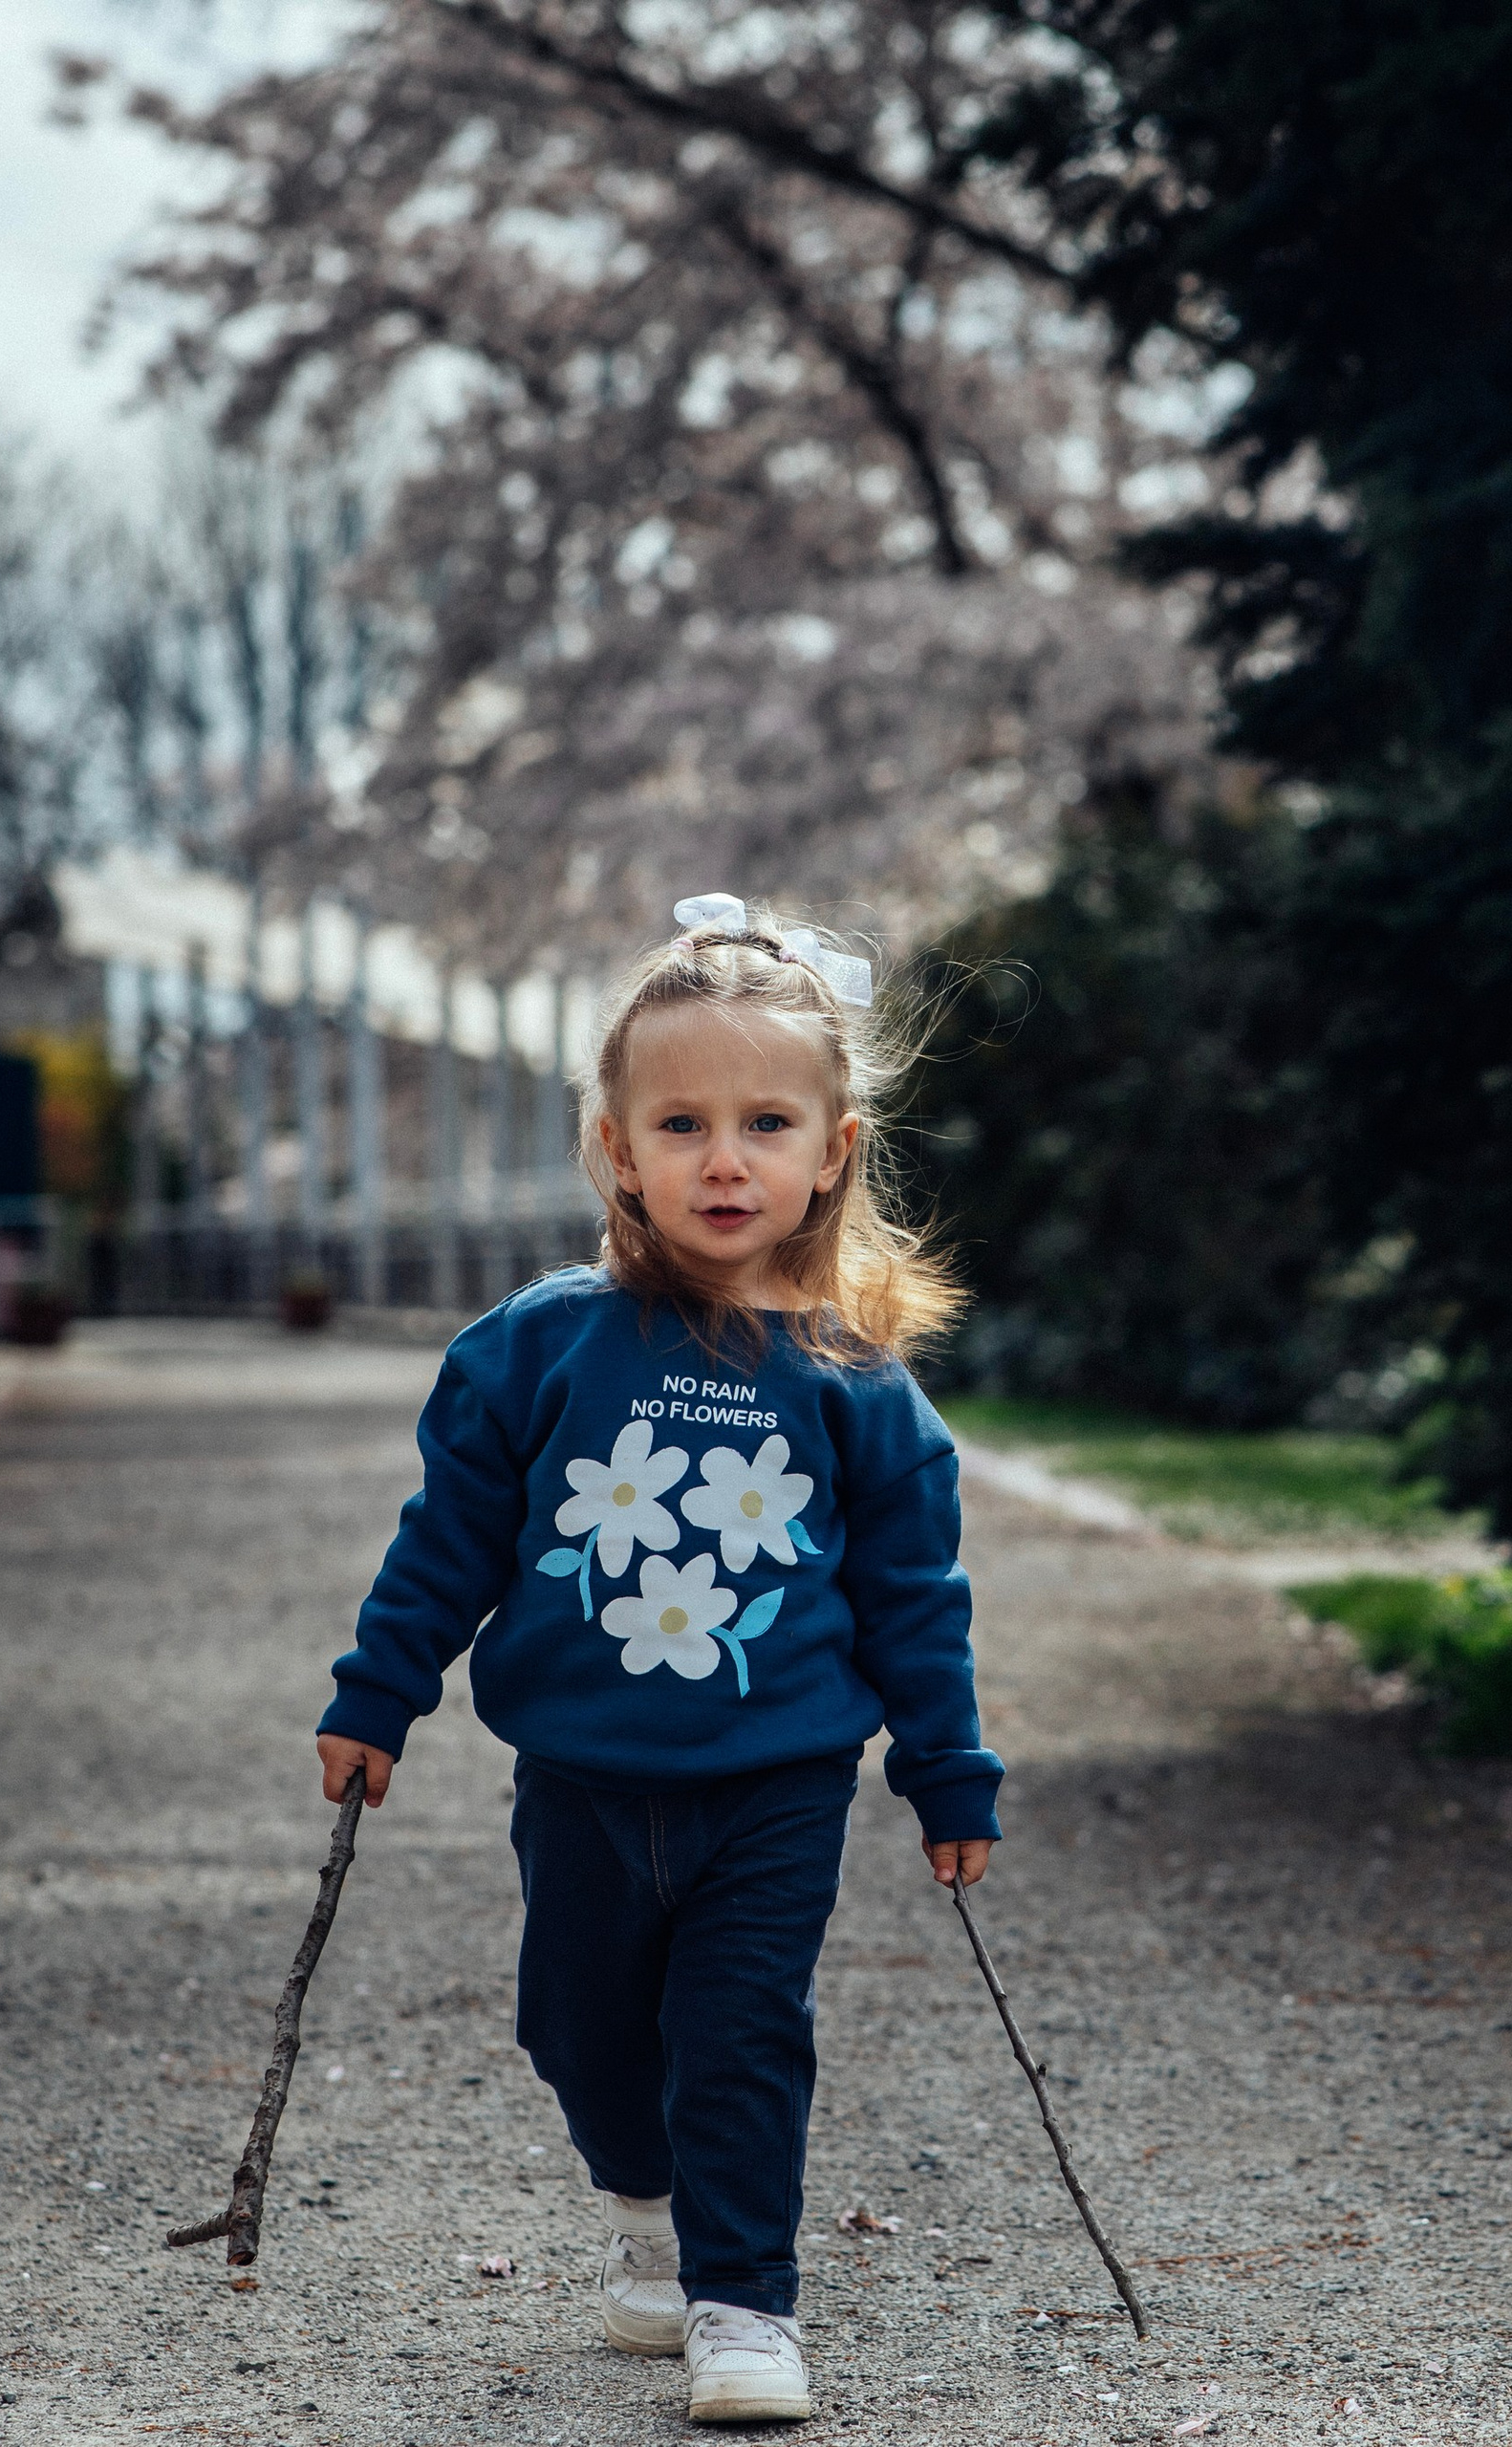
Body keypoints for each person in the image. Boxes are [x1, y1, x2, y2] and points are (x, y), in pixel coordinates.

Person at [313, 897, 1002, 2426]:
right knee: (577, 2024)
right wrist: (381, 1693)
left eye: (766, 1122)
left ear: (834, 1149)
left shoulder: (855, 1385)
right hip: (581, 1775)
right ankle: (645, 2209)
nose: (725, 1157)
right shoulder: (536, 1350)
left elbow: (914, 1598)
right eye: (681, 1122)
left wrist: (947, 1769)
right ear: (618, 1148)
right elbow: (450, 1542)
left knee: (740, 2033)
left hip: (778, 1779)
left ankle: (743, 2301)